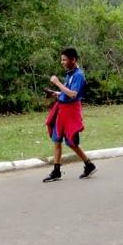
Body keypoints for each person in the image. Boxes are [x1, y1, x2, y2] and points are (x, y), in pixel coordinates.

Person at [43, 48, 97, 182]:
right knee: (57, 140)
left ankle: (89, 164)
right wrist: (55, 93)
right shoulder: (70, 73)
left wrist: (57, 83)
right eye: (61, 59)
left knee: (71, 142)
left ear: (73, 60)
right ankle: (56, 171)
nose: (62, 62)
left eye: (64, 59)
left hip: (70, 112)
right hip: (62, 110)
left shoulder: (78, 75)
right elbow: (66, 92)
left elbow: (73, 94)